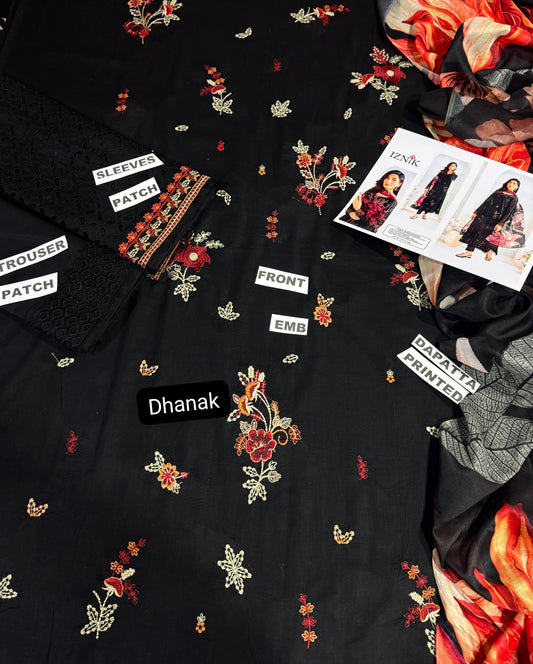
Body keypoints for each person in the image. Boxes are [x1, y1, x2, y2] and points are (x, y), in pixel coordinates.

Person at [456, 178, 521, 261]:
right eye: (510, 182)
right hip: (483, 215)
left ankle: (488, 251)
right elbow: (486, 202)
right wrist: (476, 212)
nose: (511, 184)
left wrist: (501, 223)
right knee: (474, 231)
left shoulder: (514, 198)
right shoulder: (498, 192)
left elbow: (509, 212)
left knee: (486, 236)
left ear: (516, 187)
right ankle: (469, 252)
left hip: (495, 219)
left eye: (514, 184)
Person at [340, 170, 405, 233]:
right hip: (344, 220)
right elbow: (351, 205)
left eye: (394, 180)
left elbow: (375, 225)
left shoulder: (392, 202)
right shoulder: (373, 191)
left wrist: (358, 210)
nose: (388, 181)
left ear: (399, 184)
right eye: (387, 178)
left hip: (359, 230)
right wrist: (350, 212)